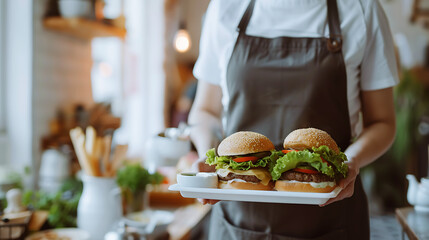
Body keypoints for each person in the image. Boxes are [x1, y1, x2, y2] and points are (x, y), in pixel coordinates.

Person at [188, 0, 398, 239]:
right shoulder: (226, 7)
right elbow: (204, 110)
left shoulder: (361, 9)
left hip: (331, 217)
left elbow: (383, 121)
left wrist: (350, 160)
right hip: (235, 219)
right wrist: (210, 156)